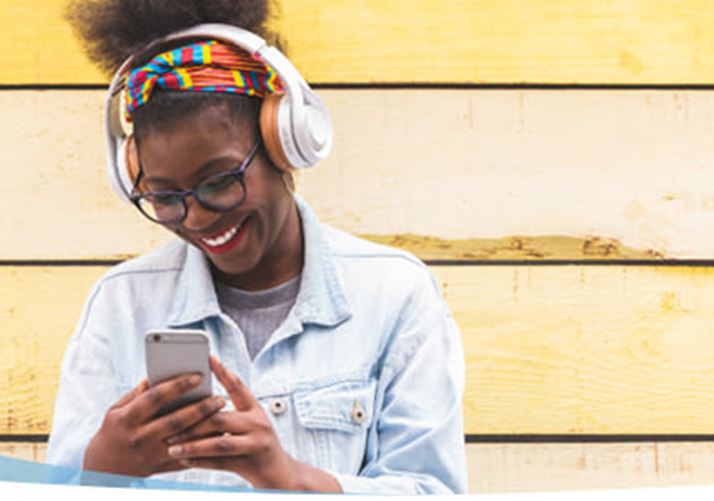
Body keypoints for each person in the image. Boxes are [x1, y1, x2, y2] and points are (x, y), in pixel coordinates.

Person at [45, 0, 467, 494]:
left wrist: (290, 479)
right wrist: (101, 472)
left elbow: (430, 490)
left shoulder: (395, 295)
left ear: (285, 144)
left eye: (219, 182)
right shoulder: (120, 306)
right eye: (165, 197)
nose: (196, 217)